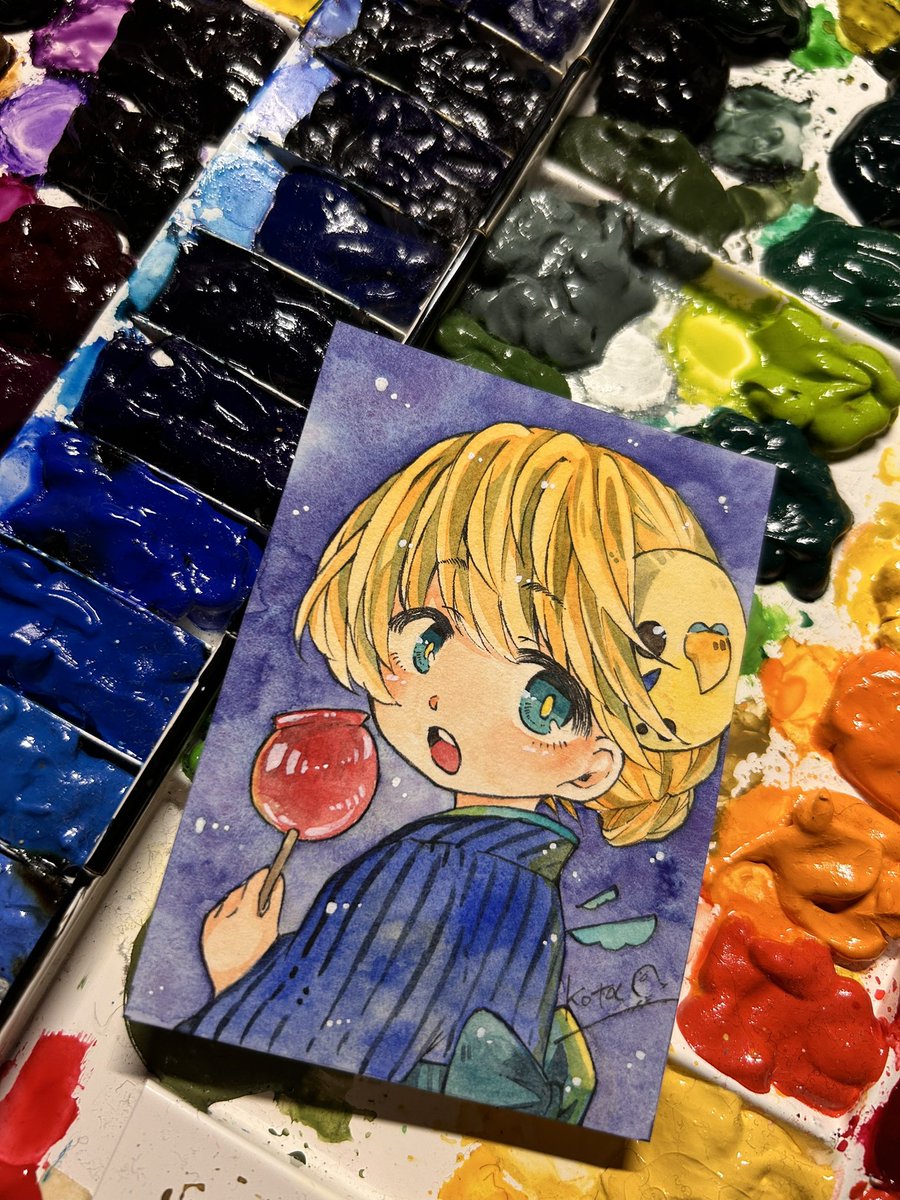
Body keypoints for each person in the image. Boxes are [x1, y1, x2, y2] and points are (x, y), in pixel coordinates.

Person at [185, 423, 742, 1121]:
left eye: (544, 700)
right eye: (429, 639)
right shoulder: (522, 882)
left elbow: (316, 1045)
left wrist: (240, 976)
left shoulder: (442, 865)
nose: (446, 696)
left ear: (594, 768)